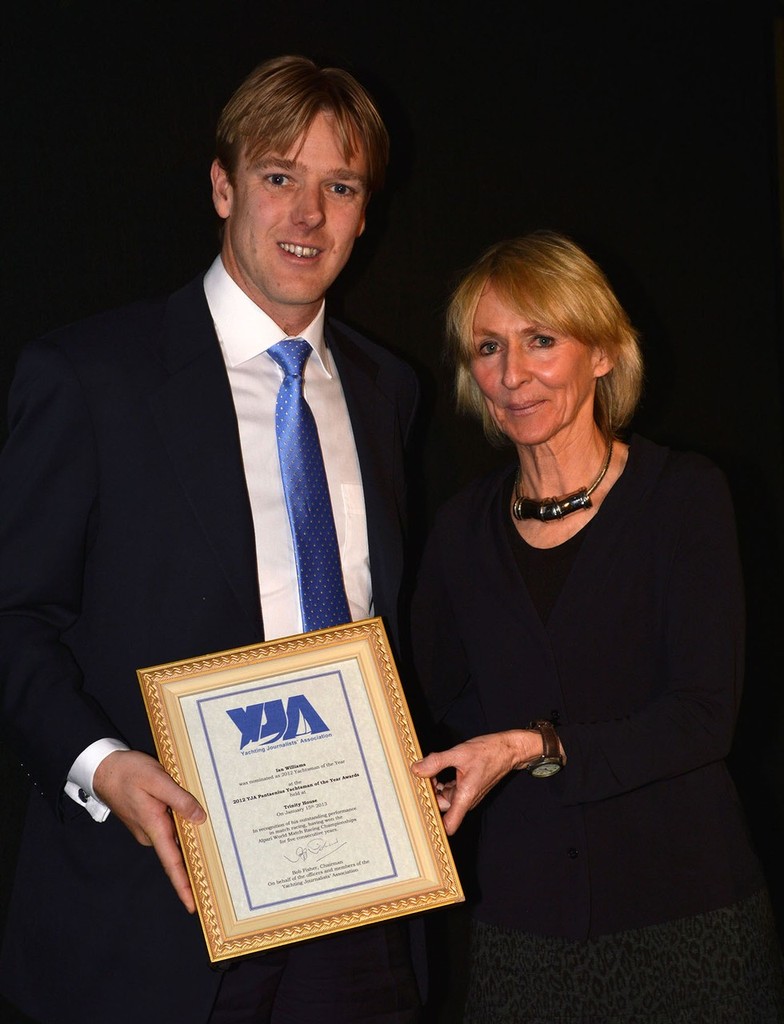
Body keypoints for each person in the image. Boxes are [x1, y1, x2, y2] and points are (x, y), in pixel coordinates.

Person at [0, 55, 424, 1024]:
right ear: (223, 185)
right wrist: (100, 763)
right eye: (280, 176)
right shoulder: (88, 375)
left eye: (340, 186)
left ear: (366, 212)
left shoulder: (385, 389)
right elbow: (11, 614)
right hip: (151, 916)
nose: (308, 214)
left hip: (357, 910)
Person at [410, 230, 784, 1022]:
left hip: (686, 918)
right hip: (523, 924)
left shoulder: (684, 497)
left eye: (541, 340)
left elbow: (702, 718)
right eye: (488, 346)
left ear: (604, 353)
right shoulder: (457, 530)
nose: (512, 375)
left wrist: (538, 747)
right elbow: (434, 705)